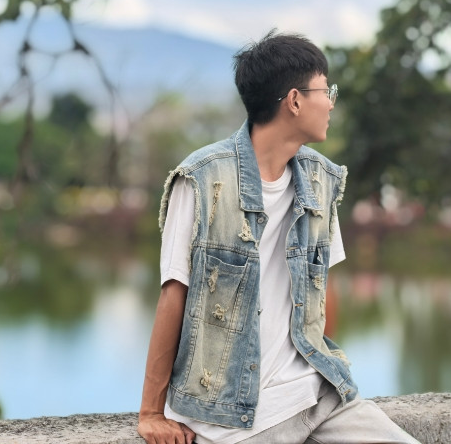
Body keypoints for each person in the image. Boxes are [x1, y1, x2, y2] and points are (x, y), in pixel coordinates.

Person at [137, 31, 421, 444]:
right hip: (235, 421)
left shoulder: (321, 179)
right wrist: (150, 412)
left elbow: (322, 290)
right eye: (326, 91)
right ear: (294, 100)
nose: (331, 103)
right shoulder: (202, 179)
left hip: (321, 399)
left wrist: (314, 361)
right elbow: (173, 293)